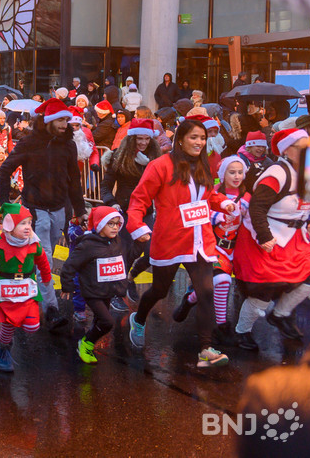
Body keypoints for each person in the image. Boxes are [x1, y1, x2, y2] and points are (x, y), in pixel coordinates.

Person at [127, 118, 236, 368]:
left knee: (207, 291)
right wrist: (138, 227)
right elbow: (138, 200)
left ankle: (205, 350)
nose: (199, 142)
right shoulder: (160, 166)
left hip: (200, 239)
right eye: (193, 137)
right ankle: (139, 319)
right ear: (180, 139)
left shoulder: (203, 165)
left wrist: (223, 203)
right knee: (159, 290)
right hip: (171, 240)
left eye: (202, 138)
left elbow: (208, 195)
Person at [0, 99, 87, 330]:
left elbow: (74, 180)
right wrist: (5, 203)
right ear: (48, 121)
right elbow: (6, 169)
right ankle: (51, 309)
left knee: (43, 254)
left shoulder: (69, 145)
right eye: (60, 120)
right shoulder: (29, 142)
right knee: (45, 255)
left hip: (60, 208)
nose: (64, 124)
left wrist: (79, 211)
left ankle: (27, 289)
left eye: (67, 120)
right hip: (35, 209)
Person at [232, 129, 310, 350]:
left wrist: (308, 223)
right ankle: (242, 331)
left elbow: (305, 204)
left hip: (294, 239)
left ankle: (280, 314)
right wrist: (264, 237)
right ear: (287, 150)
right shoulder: (277, 173)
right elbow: (257, 207)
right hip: (266, 237)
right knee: (264, 291)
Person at [173, 156, 250, 345]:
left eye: (240, 172)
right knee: (222, 281)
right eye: (232, 172)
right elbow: (199, 210)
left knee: (211, 288)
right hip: (213, 246)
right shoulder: (214, 191)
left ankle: (190, 299)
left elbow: (254, 221)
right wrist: (215, 216)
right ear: (223, 175)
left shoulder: (248, 196)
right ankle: (221, 326)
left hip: (237, 249)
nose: (237, 176)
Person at [101, 118, 163, 302]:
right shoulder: (118, 156)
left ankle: (130, 276)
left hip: (147, 212)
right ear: (131, 139)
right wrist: (111, 202)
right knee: (125, 253)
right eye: (139, 139)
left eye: (146, 139)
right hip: (126, 211)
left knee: (151, 253)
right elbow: (106, 185)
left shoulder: (155, 160)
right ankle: (118, 291)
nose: (143, 143)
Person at [0, 204, 52, 372]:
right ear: (9, 225)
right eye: (22, 223)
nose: (28, 228)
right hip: (6, 291)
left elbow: (43, 262)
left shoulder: (34, 243)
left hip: (27, 289)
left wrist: (46, 278)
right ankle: (3, 348)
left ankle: (7, 339)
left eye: (29, 223)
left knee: (32, 326)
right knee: (9, 324)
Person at [60, 206, 127, 364]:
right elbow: (70, 265)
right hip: (92, 291)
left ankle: (87, 343)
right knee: (107, 322)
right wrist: (67, 286)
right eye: (110, 224)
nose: (115, 227)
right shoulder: (88, 245)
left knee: (99, 320)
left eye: (117, 223)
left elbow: (122, 263)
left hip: (108, 290)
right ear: (100, 225)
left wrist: (121, 287)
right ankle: (86, 343)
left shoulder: (117, 242)